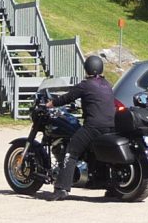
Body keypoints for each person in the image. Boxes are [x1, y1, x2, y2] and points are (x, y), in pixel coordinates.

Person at [44, 55, 115, 201]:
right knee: (98, 154)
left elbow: (68, 97)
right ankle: (105, 182)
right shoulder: (107, 84)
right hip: (110, 126)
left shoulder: (85, 84)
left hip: (93, 126)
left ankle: (61, 189)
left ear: (87, 68)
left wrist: (51, 104)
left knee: (71, 152)